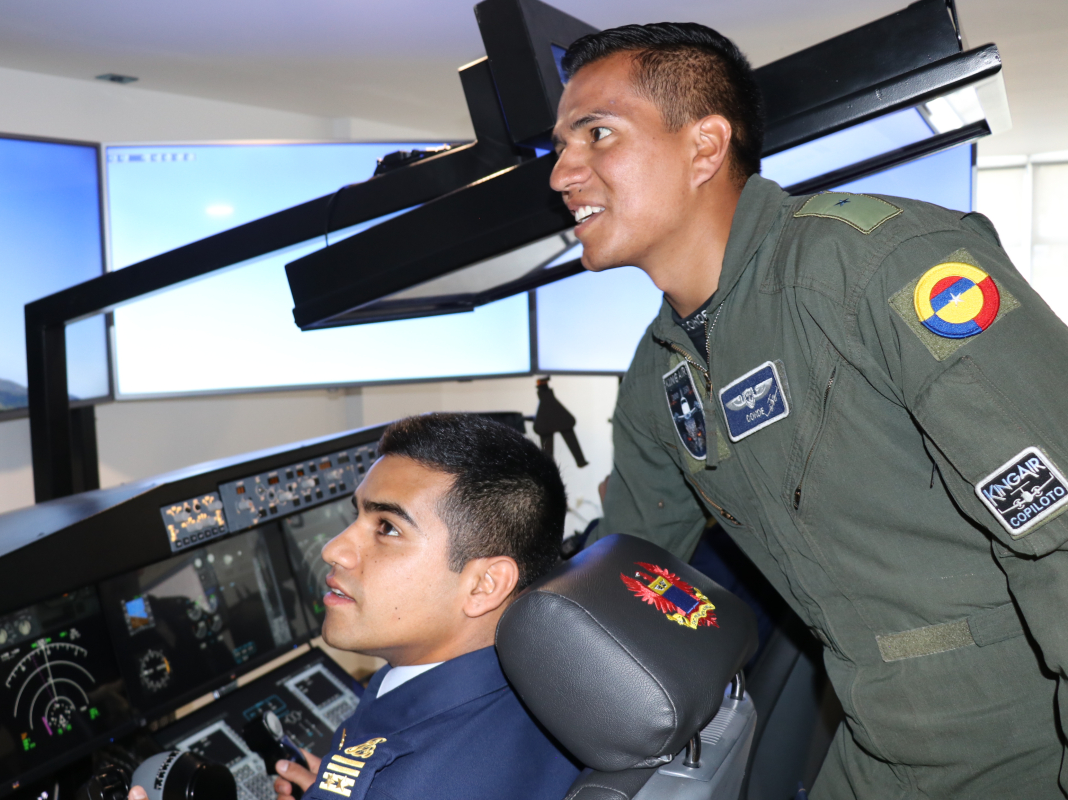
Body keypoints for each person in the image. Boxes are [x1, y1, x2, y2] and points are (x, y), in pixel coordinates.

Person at [550, 22, 1068, 800]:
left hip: (1022, 726)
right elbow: (627, 568)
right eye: (560, 147)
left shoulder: (879, 266)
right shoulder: (661, 372)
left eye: (597, 134)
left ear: (704, 147)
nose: (562, 173)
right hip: (877, 729)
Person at [259, 413, 580, 799]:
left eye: (388, 528)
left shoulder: (394, 788)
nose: (333, 550)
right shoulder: (558, 682)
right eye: (357, 515)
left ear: (484, 585)